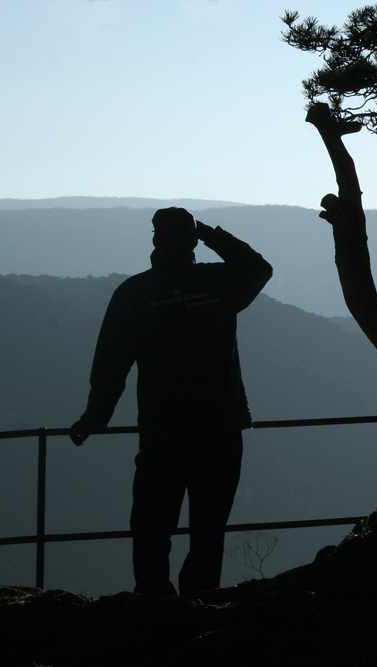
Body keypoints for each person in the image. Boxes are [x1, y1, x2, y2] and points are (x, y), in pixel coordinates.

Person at [70, 207, 272, 596]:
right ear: (193, 242)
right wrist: (211, 233)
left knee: (151, 525)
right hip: (221, 429)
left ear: (154, 241)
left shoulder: (135, 293)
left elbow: (111, 365)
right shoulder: (218, 283)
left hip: (164, 432)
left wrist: (95, 417)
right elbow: (259, 268)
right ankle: (198, 606)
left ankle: (153, 603)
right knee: (208, 530)